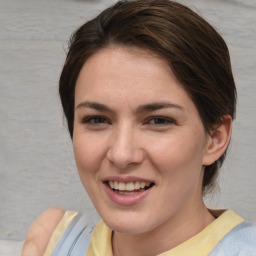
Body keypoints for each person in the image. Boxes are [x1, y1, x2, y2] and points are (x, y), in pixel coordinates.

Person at [22, 0, 256, 255]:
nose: (122, 154)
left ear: (215, 138)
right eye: (97, 119)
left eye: (158, 121)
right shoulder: (52, 243)